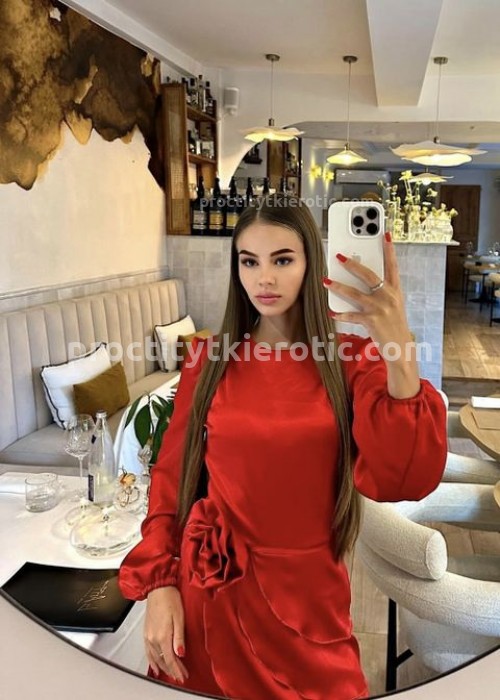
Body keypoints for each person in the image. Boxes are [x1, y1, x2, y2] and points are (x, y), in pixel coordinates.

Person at [119, 195, 447, 700]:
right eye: (249, 262)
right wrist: (161, 584)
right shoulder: (210, 359)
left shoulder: (351, 360)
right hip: (211, 594)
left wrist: (397, 343)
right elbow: (170, 479)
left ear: (311, 264)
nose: (264, 279)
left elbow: (405, 478)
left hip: (309, 601)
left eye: (283, 260)